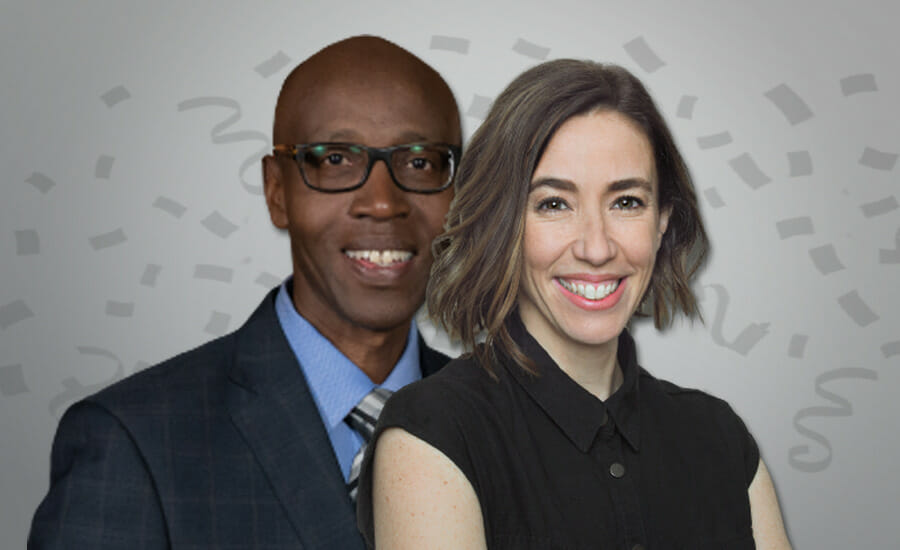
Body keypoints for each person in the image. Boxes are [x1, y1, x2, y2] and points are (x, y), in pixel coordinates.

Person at [29, 35, 461, 549]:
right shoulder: (132, 442)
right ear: (277, 193)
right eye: (335, 160)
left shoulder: (513, 424)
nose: (383, 203)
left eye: (420, 163)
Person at [358, 59, 792, 549]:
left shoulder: (720, 439)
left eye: (626, 201)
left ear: (663, 219)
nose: (597, 247)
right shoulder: (433, 434)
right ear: (504, 225)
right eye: (554, 204)